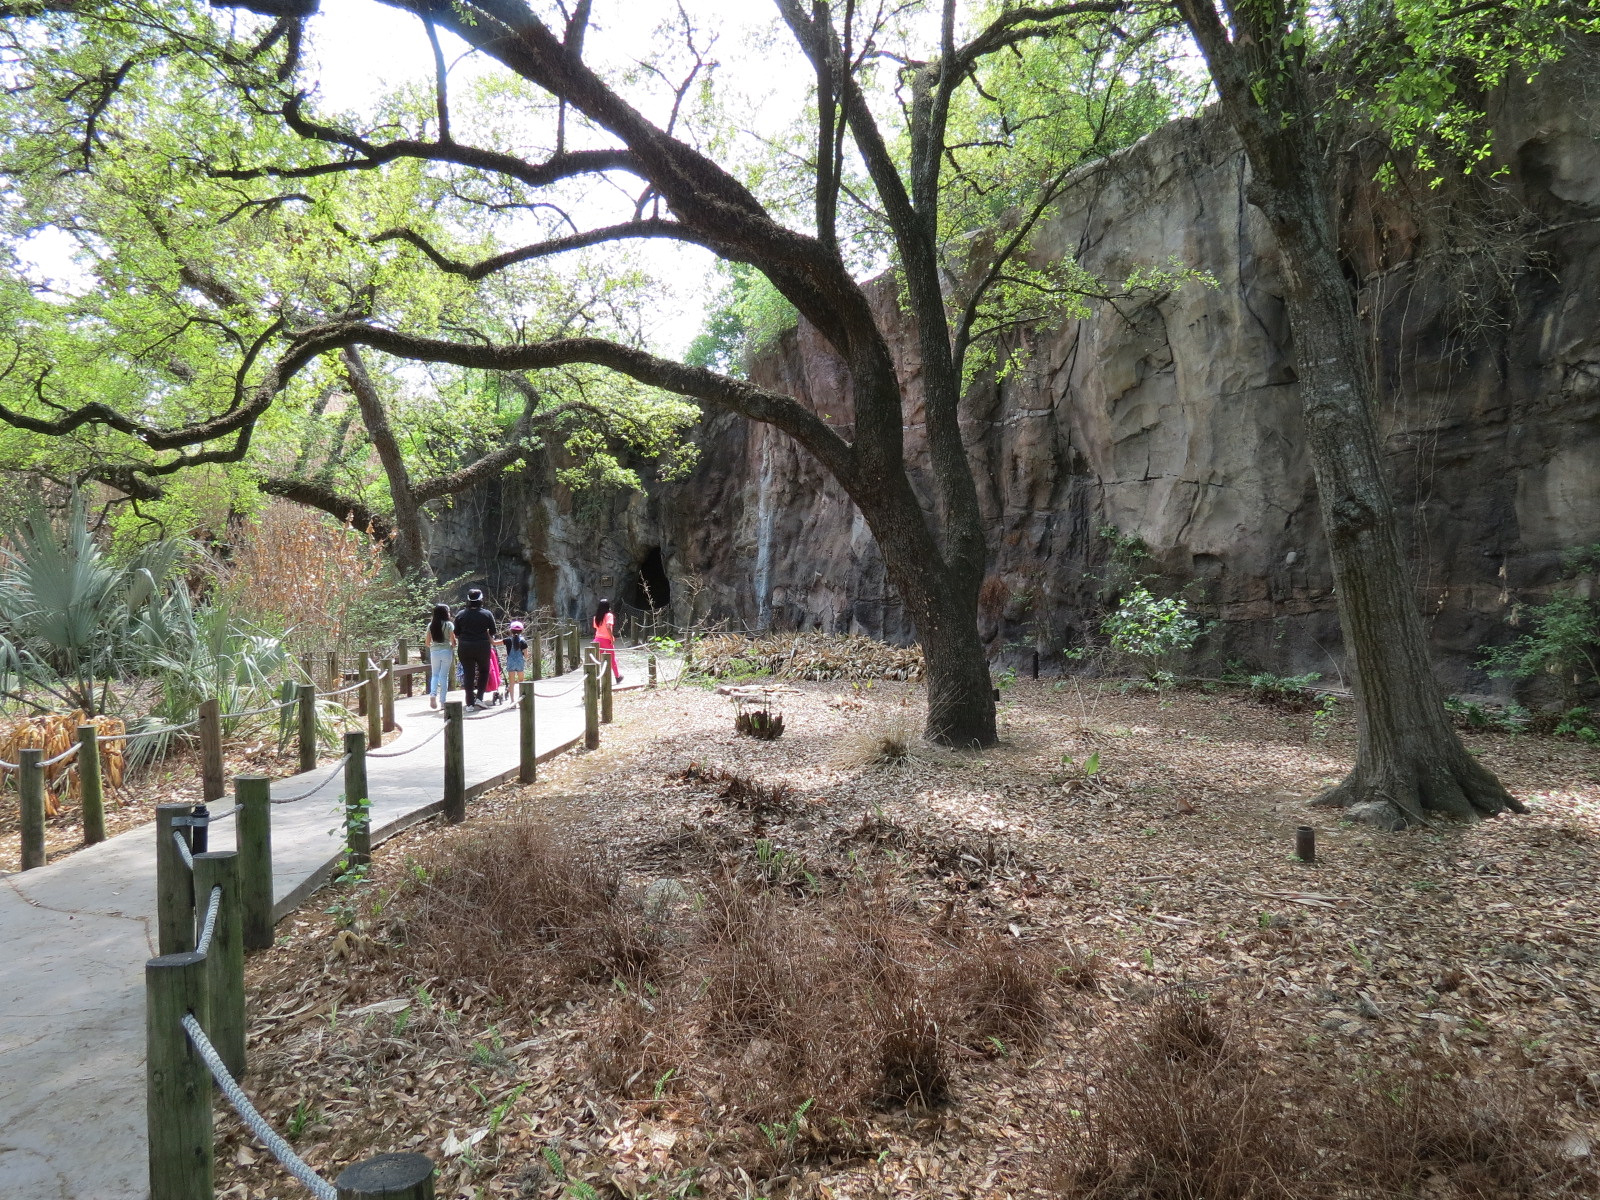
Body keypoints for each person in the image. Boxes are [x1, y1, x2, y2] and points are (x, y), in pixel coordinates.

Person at [454, 588, 497, 710]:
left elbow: (456, 632)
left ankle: (469, 704)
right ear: (481, 599)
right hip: (482, 646)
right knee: (484, 671)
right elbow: (493, 631)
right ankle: (479, 698)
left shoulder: (460, 614)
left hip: (465, 647)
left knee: (469, 674)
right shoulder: (487, 614)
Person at [425, 604, 456, 710]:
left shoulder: (430, 625)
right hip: (446, 651)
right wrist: (452, 646)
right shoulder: (449, 625)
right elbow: (453, 641)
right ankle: (443, 702)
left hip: (434, 652)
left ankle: (433, 694)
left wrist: (434, 647)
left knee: (435, 675)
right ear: (445, 613)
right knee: (444, 676)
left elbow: (427, 642)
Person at [593, 598, 623, 683]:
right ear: (608, 606)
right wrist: (611, 637)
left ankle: (598, 677)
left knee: (600, 660)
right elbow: (608, 627)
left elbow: (596, 628)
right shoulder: (609, 615)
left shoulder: (596, 617)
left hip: (597, 640)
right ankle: (617, 676)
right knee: (612, 659)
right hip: (606, 640)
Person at [504, 621, 528, 691]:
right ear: (521, 631)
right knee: (521, 682)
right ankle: (522, 699)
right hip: (520, 663)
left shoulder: (508, 640)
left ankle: (512, 700)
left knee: (511, 683)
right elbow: (526, 656)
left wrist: (488, 634)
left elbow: (494, 643)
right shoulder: (523, 641)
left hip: (510, 663)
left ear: (511, 630)